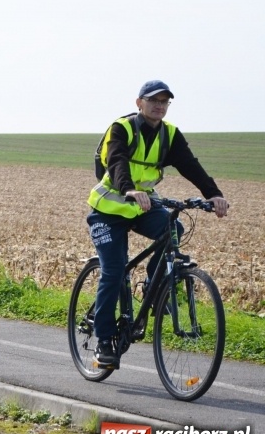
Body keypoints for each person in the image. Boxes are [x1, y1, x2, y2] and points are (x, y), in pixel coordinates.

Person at [86, 80, 229, 369]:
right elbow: (116, 162)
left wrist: (213, 194)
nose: (159, 106)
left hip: (143, 205)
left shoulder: (170, 134)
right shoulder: (122, 128)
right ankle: (103, 343)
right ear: (139, 103)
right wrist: (127, 189)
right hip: (109, 209)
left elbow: (190, 165)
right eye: (153, 100)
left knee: (173, 229)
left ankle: (154, 285)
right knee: (113, 272)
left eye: (164, 102)